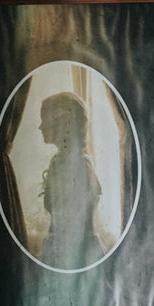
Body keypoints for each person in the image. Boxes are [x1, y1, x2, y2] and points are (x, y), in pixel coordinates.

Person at [38, 92, 102, 270]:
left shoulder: (81, 164)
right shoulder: (57, 162)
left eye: (45, 120)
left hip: (79, 255)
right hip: (59, 250)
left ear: (63, 123)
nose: (40, 127)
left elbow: (76, 225)